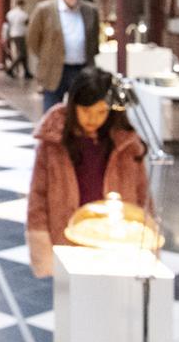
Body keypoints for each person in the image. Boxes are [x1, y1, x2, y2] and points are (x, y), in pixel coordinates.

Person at [25, 67, 149, 278]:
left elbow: (142, 193)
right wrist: (40, 241)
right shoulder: (53, 142)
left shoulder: (125, 143)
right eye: (86, 111)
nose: (93, 119)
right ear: (73, 106)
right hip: (68, 239)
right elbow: (38, 195)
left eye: (101, 112)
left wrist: (145, 236)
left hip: (114, 240)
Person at [27, 0, 100, 113]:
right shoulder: (45, 10)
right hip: (55, 70)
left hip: (81, 69)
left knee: (82, 112)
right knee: (52, 112)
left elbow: (94, 40)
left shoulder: (90, 11)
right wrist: (47, 57)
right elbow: (33, 40)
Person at [3, 0, 30, 80]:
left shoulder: (10, 13)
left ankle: (26, 72)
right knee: (22, 54)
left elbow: (7, 25)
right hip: (20, 35)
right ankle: (10, 69)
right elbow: (27, 24)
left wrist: (6, 36)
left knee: (23, 54)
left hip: (12, 34)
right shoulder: (24, 14)